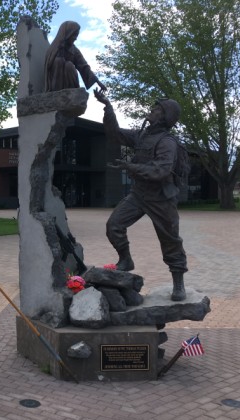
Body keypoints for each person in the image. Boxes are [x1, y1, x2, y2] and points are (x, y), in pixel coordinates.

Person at [94, 89, 188, 301]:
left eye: (156, 109)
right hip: (139, 195)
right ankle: (125, 260)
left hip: (161, 198)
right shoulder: (142, 136)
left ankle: (178, 284)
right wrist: (108, 107)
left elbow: (161, 170)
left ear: (164, 117)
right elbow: (115, 134)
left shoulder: (167, 142)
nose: (151, 111)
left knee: (171, 241)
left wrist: (131, 166)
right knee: (114, 225)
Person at [44, 21, 107, 93]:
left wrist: (97, 82)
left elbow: (84, 66)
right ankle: (56, 93)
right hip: (54, 84)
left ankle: (71, 93)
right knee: (58, 61)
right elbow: (48, 67)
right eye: (74, 35)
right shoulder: (54, 48)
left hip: (70, 84)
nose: (75, 38)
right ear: (68, 33)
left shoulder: (74, 50)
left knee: (69, 65)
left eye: (76, 35)